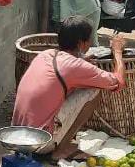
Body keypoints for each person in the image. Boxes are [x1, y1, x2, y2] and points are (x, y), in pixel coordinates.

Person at [13, 18, 126, 159]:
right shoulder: (75, 66)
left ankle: (59, 140)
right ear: (81, 44)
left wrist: (81, 62)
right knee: (93, 91)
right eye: (89, 40)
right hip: (40, 143)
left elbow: (65, 71)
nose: (90, 44)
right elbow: (118, 82)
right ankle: (61, 149)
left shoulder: (46, 54)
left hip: (17, 137)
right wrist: (117, 52)